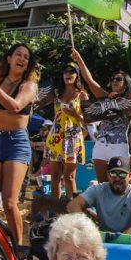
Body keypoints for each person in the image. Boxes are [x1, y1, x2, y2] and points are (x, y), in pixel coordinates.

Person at [0, 43, 39, 244]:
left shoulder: (28, 85)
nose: (22, 59)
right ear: (9, 59)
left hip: (16, 144)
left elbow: (15, 106)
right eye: (18, 55)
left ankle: (18, 248)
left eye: (26, 57)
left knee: (10, 202)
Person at [72, 50, 131, 184]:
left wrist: (118, 100)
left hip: (119, 146)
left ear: (126, 84)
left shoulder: (129, 101)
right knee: (102, 184)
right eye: (113, 79)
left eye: (118, 79)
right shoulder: (105, 97)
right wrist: (79, 60)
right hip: (101, 144)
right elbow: (90, 81)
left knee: (119, 183)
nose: (114, 81)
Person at [68, 157, 131, 235]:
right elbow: (73, 205)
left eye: (122, 174)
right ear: (108, 175)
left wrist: (130, 232)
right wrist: (86, 228)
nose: (117, 178)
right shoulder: (98, 189)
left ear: (130, 176)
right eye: (113, 174)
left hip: (129, 239)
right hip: (102, 238)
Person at [46, 63, 88, 202]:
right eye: (65, 71)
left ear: (77, 75)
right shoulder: (57, 93)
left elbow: (87, 121)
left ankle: (73, 213)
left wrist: (75, 114)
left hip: (73, 138)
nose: (68, 74)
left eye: (72, 71)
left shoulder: (82, 95)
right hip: (56, 137)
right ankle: (56, 212)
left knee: (69, 177)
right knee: (55, 176)